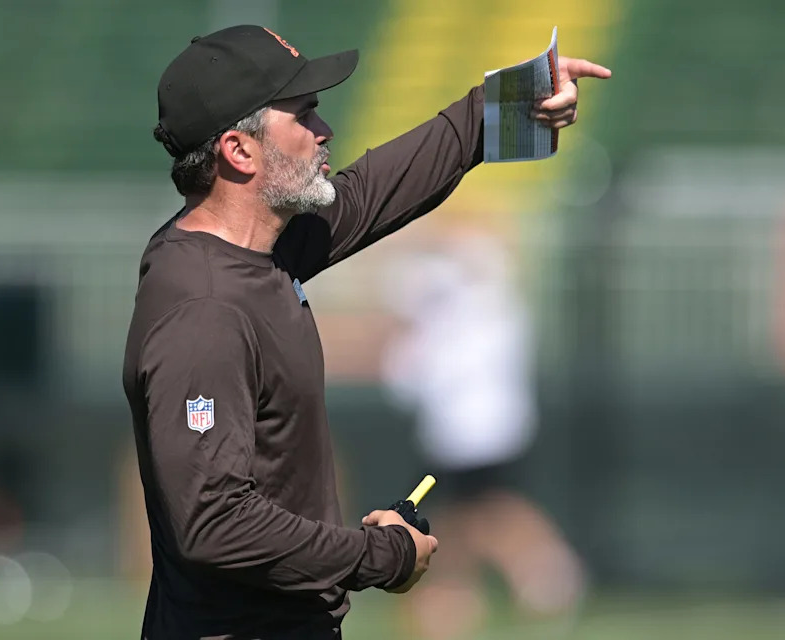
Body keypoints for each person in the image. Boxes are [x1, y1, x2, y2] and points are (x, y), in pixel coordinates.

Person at [121, 24, 610, 640]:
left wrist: (512, 105)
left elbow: (375, 191)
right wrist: (383, 555)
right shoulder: (205, 309)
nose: (325, 130)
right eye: (303, 114)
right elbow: (213, 523)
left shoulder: (260, 250)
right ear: (239, 151)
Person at [381, 230, 585, 639]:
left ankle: (538, 576)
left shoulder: (473, 313)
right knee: (466, 514)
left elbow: (409, 376)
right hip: (476, 432)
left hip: (467, 435)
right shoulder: (487, 308)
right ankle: (463, 594)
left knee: (475, 511)